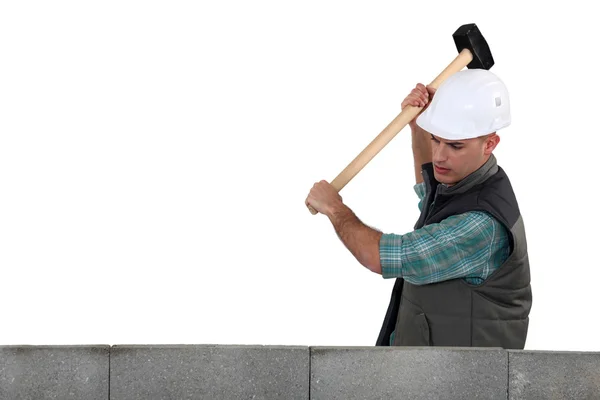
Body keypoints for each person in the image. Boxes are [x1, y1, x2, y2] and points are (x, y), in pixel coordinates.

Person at [305, 68, 532, 349]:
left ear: (490, 144)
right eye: (435, 140)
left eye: (455, 146)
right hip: (430, 372)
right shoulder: (471, 183)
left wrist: (334, 208)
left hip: (463, 384)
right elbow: (431, 194)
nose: (439, 155)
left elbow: (381, 256)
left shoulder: (481, 224)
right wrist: (418, 126)